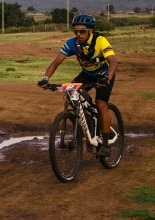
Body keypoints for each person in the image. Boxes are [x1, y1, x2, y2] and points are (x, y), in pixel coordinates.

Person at [38, 14, 118, 157]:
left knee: (101, 104)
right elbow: (56, 62)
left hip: (104, 75)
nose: (78, 34)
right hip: (86, 74)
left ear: (90, 30)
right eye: (76, 32)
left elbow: (113, 61)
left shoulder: (100, 41)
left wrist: (107, 77)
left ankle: (105, 144)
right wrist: (45, 78)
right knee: (71, 94)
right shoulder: (71, 44)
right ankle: (88, 123)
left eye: (82, 31)